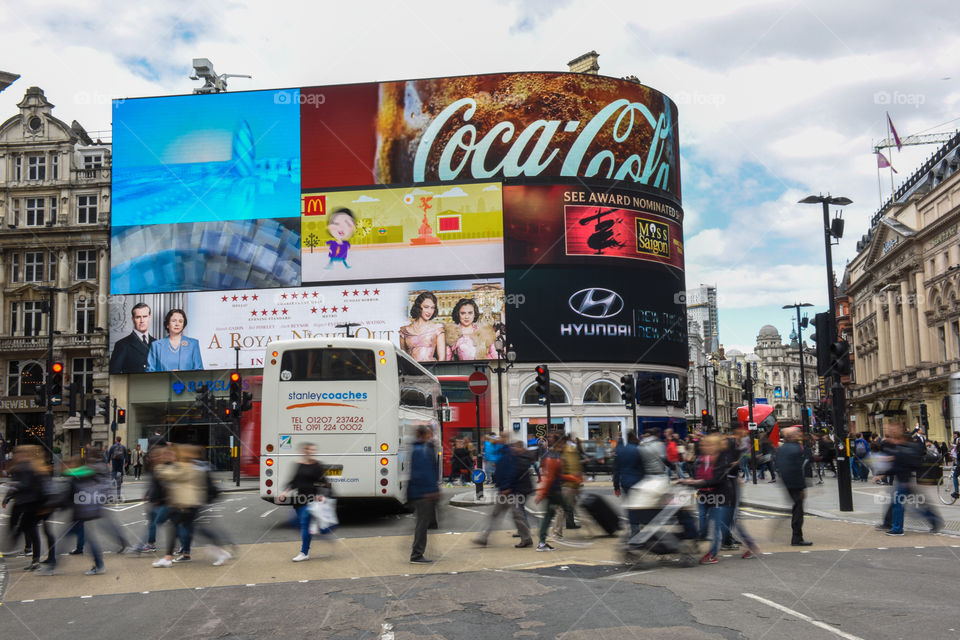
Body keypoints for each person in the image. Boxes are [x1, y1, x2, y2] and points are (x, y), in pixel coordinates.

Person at [679, 433, 734, 564]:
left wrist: (694, 482)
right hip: (703, 495)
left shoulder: (722, 459)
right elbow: (696, 473)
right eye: (703, 444)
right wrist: (689, 481)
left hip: (719, 497)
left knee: (715, 527)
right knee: (702, 525)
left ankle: (712, 554)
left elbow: (715, 479)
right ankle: (698, 543)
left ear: (715, 446)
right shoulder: (702, 458)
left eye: (708, 444)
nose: (704, 446)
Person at [152, 445, 210, 567]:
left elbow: (169, 475)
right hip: (183, 503)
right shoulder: (188, 465)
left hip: (186, 503)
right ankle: (179, 555)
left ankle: (220, 549)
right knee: (181, 527)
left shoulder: (186, 466)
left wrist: (158, 466)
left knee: (178, 527)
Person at [882, 422, 943, 536]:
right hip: (905, 480)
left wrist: (890, 462)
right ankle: (935, 521)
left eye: (891, 429)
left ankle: (897, 529)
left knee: (898, 504)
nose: (889, 431)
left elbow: (910, 462)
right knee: (917, 504)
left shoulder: (905, 444)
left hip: (905, 480)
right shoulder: (898, 445)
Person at [473, 437, 534, 548]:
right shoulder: (503, 453)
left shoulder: (508, 455)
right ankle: (483, 537)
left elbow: (509, 473)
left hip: (511, 491)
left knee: (516, 515)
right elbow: (501, 472)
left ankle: (526, 538)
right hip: (506, 490)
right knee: (497, 514)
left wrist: (505, 486)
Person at [277, 442, 331, 562]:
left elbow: (325, 483)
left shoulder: (318, 466)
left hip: (312, 499)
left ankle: (304, 552)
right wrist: (284, 493)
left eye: (312, 450)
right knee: (295, 522)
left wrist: (322, 495)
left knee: (304, 524)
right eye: (308, 449)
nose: (310, 451)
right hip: (300, 499)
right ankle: (317, 531)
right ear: (304, 451)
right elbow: (293, 481)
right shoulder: (299, 465)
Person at [534, 434, 579, 551]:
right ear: (559, 443)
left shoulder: (552, 455)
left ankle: (542, 542)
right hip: (553, 491)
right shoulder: (553, 457)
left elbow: (556, 475)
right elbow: (550, 477)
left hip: (552, 490)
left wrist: (570, 478)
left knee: (549, 515)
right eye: (564, 443)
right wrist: (542, 493)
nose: (565, 446)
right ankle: (545, 540)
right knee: (566, 509)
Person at [408, 425, 440, 563]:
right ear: (423, 435)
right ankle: (416, 554)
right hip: (423, 494)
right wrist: (430, 491)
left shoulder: (422, 448)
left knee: (423, 523)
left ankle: (418, 551)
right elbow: (422, 474)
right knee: (422, 524)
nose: (430, 436)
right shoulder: (421, 451)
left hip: (422, 492)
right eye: (428, 433)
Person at [776, 427, 812, 546]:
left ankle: (797, 537)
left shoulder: (781, 449)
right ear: (791, 436)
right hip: (795, 484)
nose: (799, 434)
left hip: (787, 483)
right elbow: (798, 469)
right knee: (798, 510)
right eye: (797, 433)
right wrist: (802, 487)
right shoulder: (797, 449)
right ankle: (796, 538)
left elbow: (779, 467)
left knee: (796, 508)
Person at [399, 291, 446, 362]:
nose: (429, 311)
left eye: (432, 308)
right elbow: (404, 360)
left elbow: (442, 360)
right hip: (411, 372)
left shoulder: (437, 329)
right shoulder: (404, 331)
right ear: (418, 307)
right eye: (426, 307)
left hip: (431, 371)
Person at [109, 302, 154, 374]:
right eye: (138, 317)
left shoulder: (157, 343)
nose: (142, 321)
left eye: (145, 316)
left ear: (149, 317)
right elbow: (114, 373)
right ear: (133, 319)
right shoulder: (122, 344)